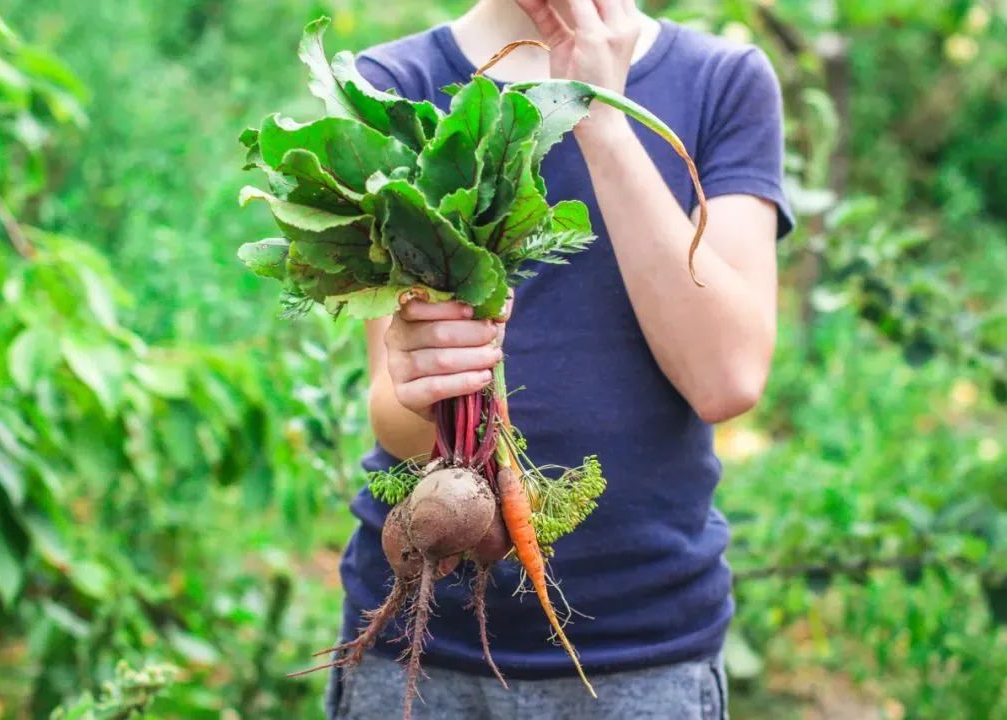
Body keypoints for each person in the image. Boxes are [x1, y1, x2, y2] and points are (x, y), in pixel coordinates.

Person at [329, 1, 793, 717]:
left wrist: (599, 113)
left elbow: (726, 379)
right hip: (418, 648)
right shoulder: (393, 83)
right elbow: (394, 418)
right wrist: (426, 387)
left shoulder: (722, 81)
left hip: (647, 650)